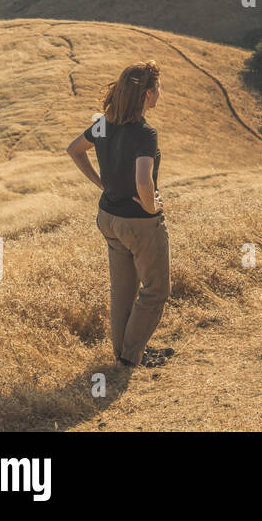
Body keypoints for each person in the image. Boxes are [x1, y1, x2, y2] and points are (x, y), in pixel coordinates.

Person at [66, 60, 174, 368]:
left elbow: (74, 149)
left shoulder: (103, 123)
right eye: (158, 88)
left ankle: (125, 354)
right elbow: (143, 180)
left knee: (123, 291)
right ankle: (131, 354)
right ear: (148, 94)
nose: (160, 93)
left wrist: (101, 183)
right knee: (155, 290)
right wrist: (153, 207)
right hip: (139, 223)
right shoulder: (144, 133)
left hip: (108, 218)